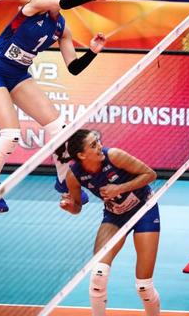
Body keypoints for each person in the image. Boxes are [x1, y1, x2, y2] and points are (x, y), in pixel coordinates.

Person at [0, 0, 116, 213]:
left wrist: (92, 51)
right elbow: (65, 3)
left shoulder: (61, 27)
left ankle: (63, 181)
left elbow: (73, 68)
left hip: (18, 75)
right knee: (11, 134)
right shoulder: (37, 4)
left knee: (61, 130)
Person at [58, 129, 161, 316]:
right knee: (98, 275)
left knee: (144, 286)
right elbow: (77, 207)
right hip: (115, 216)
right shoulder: (73, 175)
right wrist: (70, 207)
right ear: (81, 155)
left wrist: (120, 188)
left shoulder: (114, 156)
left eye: (97, 141)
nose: (100, 146)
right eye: (93, 145)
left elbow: (150, 174)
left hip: (144, 210)